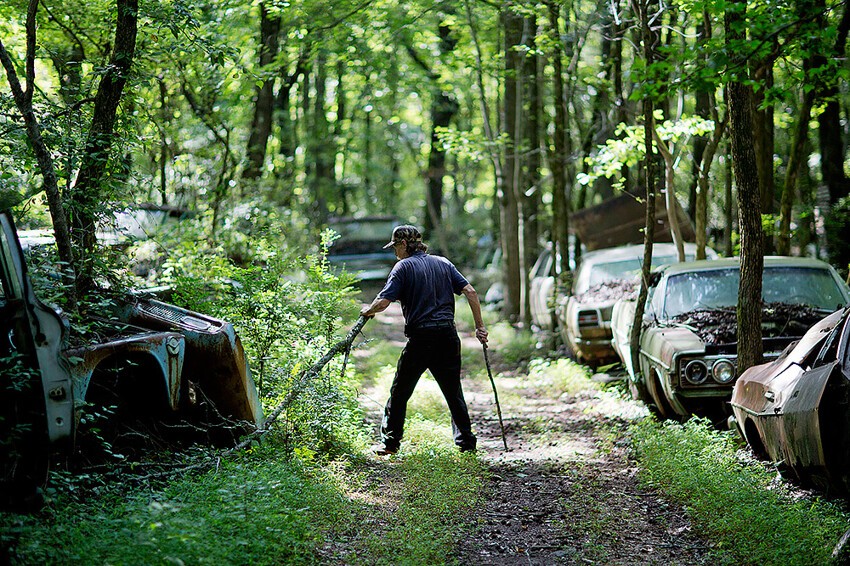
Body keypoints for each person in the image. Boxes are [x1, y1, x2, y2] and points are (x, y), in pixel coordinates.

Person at [360, 225, 489, 455]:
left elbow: (383, 302)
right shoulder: (443, 263)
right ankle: (467, 445)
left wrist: (368, 311)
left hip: (421, 339)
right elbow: (470, 291)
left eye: (395, 248)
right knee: (453, 392)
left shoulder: (402, 267)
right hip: (448, 337)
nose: (394, 253)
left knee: (400, 392)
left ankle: (390, 443)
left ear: (402, 244)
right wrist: (480, 326)